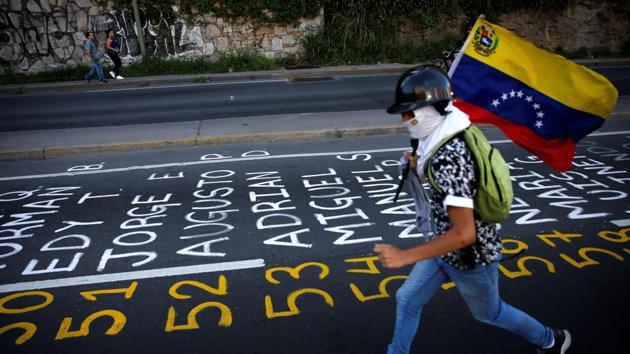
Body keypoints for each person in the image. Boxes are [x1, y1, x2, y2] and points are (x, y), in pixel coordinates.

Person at [373, 65, 571, 354]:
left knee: (490, 313)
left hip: (471, 255)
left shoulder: (449, 156)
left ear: (432, 109)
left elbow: (464, 233)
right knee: (408, 298)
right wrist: (419, 166)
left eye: (410, 112)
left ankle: (551, 340)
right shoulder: (452, 129)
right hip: (443, 247)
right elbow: (458, 183)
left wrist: (404, 256)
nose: (406, 120)